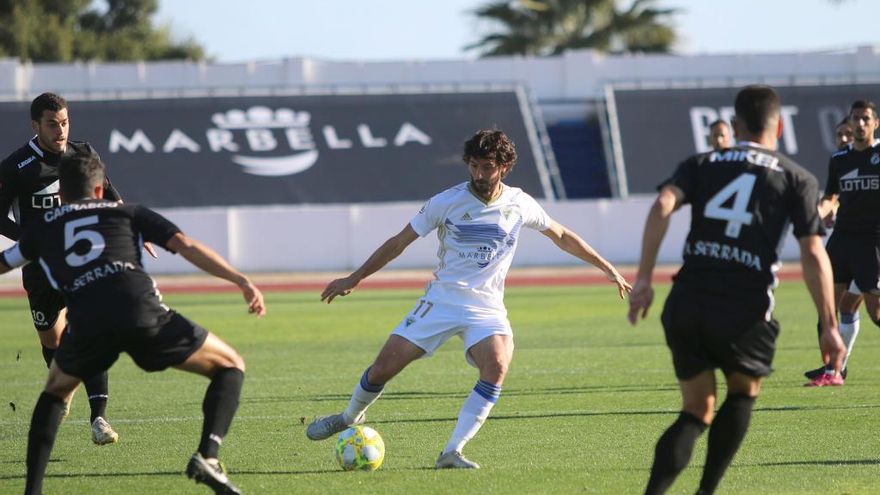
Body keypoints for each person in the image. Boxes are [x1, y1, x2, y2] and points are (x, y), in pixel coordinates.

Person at [305, 129, 631, 468]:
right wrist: (354, 278)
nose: (478, 174)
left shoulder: (520, 203)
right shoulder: (446, 202)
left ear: (504, 166)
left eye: (487, 166)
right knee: (381, 371)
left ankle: (452, 451)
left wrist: (607, 267)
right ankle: (349, 417)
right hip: (442, 301)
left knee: (497, 366)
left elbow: (562, 236)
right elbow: (398, 242)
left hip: (487, 307)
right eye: (474, 166)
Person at [0, 151, 265, 495]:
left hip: (88, 323)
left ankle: (31, 491)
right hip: (141, 313)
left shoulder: (43, 229)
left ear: (61, 196)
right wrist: (240, 280)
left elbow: (5, 263)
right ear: (99, 192)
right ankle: (208, 457)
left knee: (55, 393)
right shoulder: (127, 212)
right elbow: (185, 245)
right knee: (231, 365)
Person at [628, 85, 845, 494]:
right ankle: (706, 491)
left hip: (687, 299)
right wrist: (829, 325)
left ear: (736, 124)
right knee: (743, 393)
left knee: (696, 409)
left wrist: (643, 278)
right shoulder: (797, 177)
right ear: (778, 126)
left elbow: (661, 206)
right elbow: (814, 253)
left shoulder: (701, 162)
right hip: (743, 308)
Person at [0, 92, 152, 444]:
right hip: (39, 268)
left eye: (65, 122)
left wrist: (129, 226)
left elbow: (109, 193)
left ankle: (99, 418)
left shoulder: (83, 154)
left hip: (84, 262)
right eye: (52, 124)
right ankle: (63, 382)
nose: (60, 130)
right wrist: (32, 237)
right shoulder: (16, 167)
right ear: (35, 125)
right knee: (52, 340)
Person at [804, 101, 880, 386]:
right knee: (827, 309)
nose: (860, 124)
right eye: (856, 119)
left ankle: (835, 369)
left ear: (875, 123)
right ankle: (832, 371)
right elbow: (831, 197)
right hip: (842, 240)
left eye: (865, 119)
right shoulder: (840, 159)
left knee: (876, 313)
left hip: (873, 241)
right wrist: (815, 215)